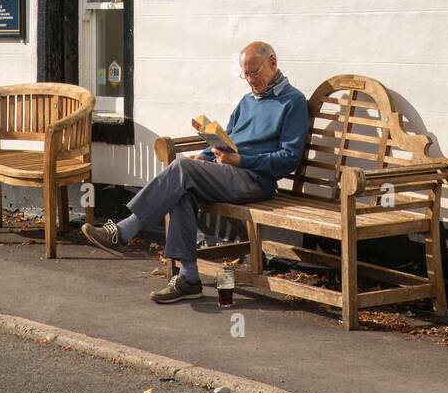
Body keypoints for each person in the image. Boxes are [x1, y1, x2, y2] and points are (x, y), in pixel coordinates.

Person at [81, 42, 309, 304]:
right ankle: (189, 278)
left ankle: (123, 231)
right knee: (184, 188)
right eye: (245, 74)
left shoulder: (293, 102)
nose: (250, 80)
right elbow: (229, 140)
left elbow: (288, 159)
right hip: (229, 173)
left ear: (273, 62)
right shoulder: (247, 101)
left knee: (182, 169)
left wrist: (241, 160)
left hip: (256, 181)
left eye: (254, 72)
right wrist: (209, 155)